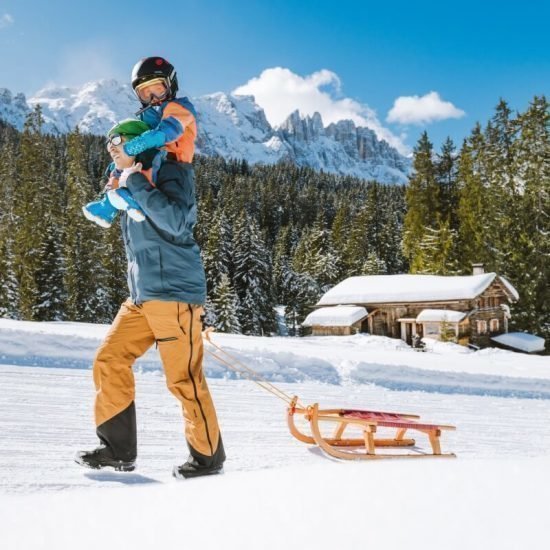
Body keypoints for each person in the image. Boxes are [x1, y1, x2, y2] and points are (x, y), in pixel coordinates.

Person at [76, 60, 225, 479]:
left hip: (175, 293)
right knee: (109, 360)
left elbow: (177, 222)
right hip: (143, 297)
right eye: (144, 93)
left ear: (171, 87)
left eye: (157, 89)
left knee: (183, 379)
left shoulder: (174, 170)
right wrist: (120, 188)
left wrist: (136, 183)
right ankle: (116, 451)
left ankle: (208, 458)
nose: (152, 97)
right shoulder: (136, 173)